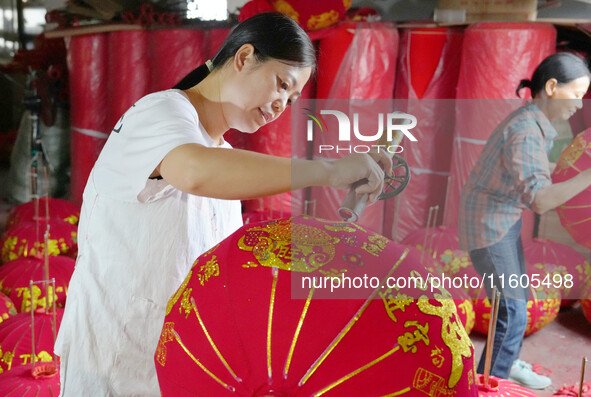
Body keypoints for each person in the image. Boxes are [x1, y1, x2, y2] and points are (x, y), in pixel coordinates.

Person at [55, 12, 390, 396]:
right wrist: (328, 172)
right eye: (281, 85)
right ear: (244, 57)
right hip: (114, 360)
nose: (282, 105)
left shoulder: (223, 157)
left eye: (292, 98)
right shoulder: (159, 113)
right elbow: (194, 170)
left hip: (176, 362)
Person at [458, 52, 591, 390]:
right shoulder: (526, 132)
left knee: (515, 300)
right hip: (489, 227)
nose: (578, 105)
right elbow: (542, 200)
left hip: (503, 219)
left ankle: (504, 362)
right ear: (551, 87)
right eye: (576, 95)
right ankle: (488, 384)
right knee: (512, 312)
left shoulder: (534, 123)